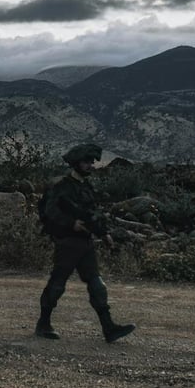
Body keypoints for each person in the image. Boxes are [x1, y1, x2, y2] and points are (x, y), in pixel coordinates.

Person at [35, 143, 135, 343]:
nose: (90, 165)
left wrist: (104, 233)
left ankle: (109, 328)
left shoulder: (86, 187)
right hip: (67, 242)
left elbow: (93, 214)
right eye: (86, 162)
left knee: (97, 284)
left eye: (91, 162)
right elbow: (49, 211)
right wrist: (71, 224)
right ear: (76, 163)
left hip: (85, 241)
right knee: (57, 284)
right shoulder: (61, 186)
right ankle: (43, 324)